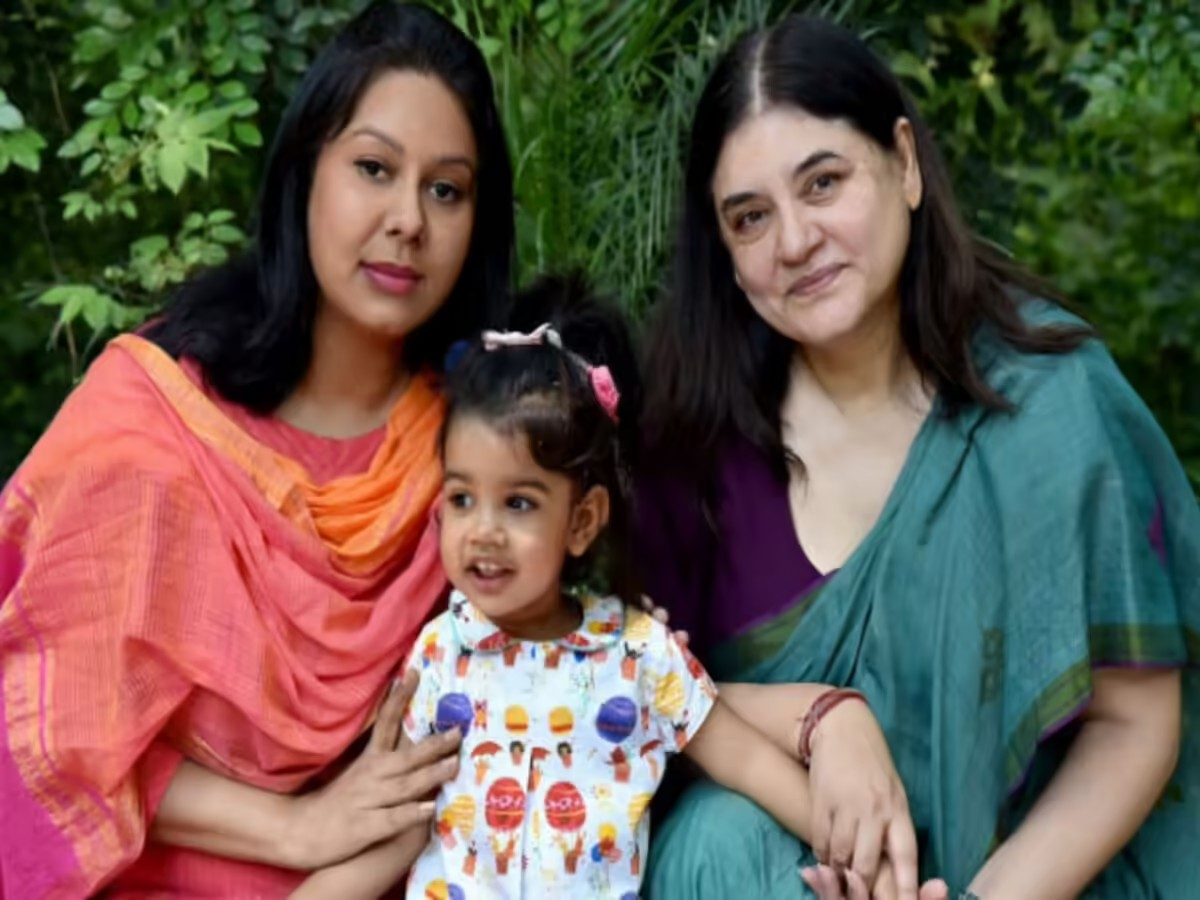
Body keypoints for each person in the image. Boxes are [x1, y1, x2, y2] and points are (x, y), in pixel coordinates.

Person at [637, 13, 1198, 900]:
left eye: (823, 183)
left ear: (904, 164)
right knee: (715, 840)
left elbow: (1135, 724)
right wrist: (824, 718)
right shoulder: (694, 447)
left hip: (1034, 885)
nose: (794, 241)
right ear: (727, 252)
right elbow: (621, 687)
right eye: (751, 218)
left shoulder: (1047, 408)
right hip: (786, 877)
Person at [0, 2, 515, 896]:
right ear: (304, 171)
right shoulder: (153, 421)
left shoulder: (483, 444)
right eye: (373, 168)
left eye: (447, 190)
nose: (408, 219)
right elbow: (46, 729)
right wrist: (296, 826)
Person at [290, 276, 925, 899]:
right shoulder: (438, 655)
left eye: (518, 503)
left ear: (582, 521)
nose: (482, 531)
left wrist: (872, 874)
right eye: (461, 498)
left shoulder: (641, 656)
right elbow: (400, 830)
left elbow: (749, 763)